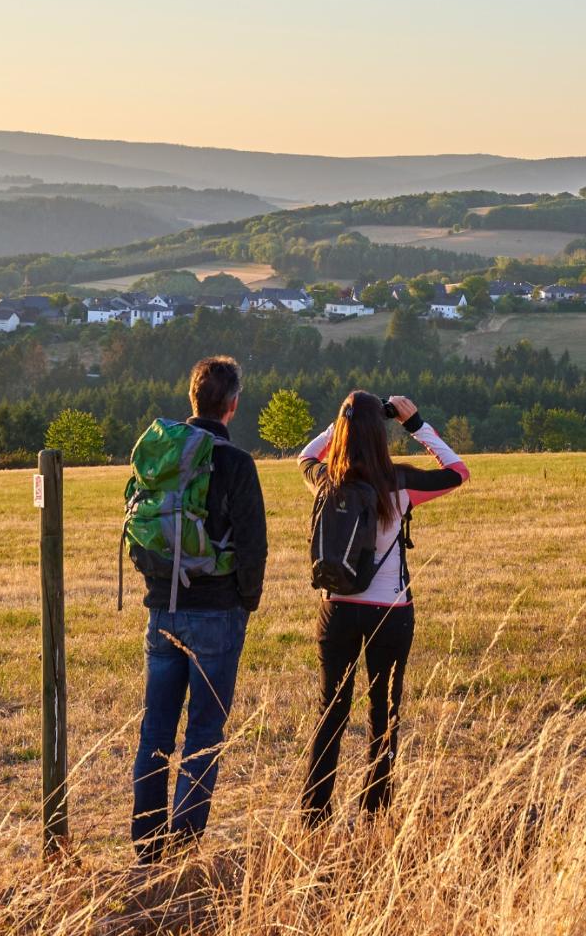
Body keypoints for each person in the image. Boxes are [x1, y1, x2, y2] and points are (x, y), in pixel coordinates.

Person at [296, 390, 468, 822]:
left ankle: (315, 813)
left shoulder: (324, 480)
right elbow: (457, 472)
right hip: (389, 612)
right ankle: (374, 811)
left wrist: (341, 425)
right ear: (381, 433)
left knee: (330, 711)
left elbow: (305, 456)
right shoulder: (401, 481)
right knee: (383, 712)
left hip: (336, 609)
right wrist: (415, 425)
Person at [127, 356, 267, 861]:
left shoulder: (163, 453)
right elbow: (253, 547)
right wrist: (244, 603)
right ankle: (184, 850)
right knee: (204, 734)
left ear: (193, 399)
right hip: (217, 614)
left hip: (161, 607)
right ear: (232, 405)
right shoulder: (236, 462)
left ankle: (147, 848)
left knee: (155, 733)